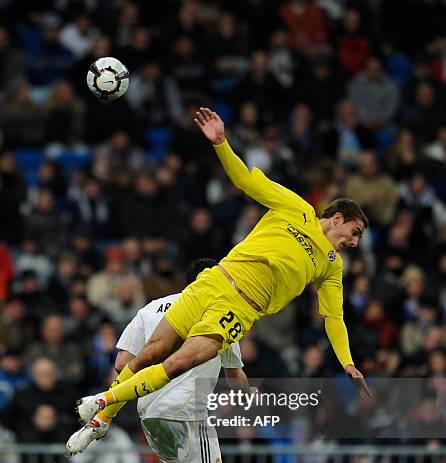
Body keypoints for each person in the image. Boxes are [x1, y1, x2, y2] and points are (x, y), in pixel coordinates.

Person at [71, 106, 370, 428]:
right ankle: (100, 421)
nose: (354, 243)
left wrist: (347, 362)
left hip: (240, 308)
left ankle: (102, 401)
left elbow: (334, 317)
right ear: (337, 218)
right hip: (215, 279)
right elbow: (243, 180)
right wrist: (220, 143)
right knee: (150, 354)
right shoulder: (296, 208)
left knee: (179, 361)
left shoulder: (331, 265)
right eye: (354, 232)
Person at [67, 259, 247, 463]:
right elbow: (236, 378)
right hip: (188, 410)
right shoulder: (222, 309)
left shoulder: (151, 309)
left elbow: (122, 364)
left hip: (149, 411)